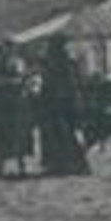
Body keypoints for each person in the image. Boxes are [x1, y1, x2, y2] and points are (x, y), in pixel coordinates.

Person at [36, 36, 90, 177]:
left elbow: (54, 83)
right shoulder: (69, 61)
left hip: (60, 103)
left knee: (62, 134)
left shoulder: (58, 63)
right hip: (68, 102)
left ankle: (69, 165)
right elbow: (78, 82)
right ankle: (69, 165)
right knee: (66, 134)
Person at [0, 44, 34, 178]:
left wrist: (21, 84)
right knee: (3, 136)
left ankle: (22, 168)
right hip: (4, 104)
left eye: (9, 47)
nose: (6, 50)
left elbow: (25, 80)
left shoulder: (19, 63)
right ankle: (0, 169)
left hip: (18, 104)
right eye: (4, 48)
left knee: (19, 135)